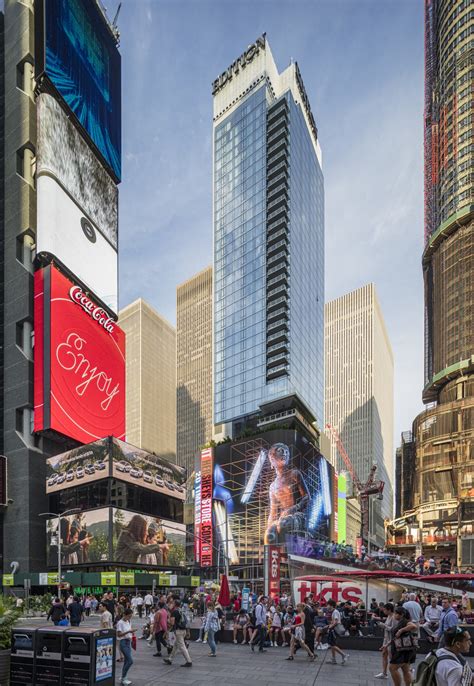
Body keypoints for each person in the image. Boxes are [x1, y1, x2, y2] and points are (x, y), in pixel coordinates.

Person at [264, 443, 310, 544]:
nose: (284, 453)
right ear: (271, 459)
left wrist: (294, 508)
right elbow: (273, 512)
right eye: (280, 451)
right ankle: (273, 557)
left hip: (298, 515)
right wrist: (269, 527)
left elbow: (307, 497)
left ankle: (287, 554)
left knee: (284, 524)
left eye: (286, 451)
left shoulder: (295, 474)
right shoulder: (272, 486)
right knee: (269, 533)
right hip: (283, 517)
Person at [388, 607, 418, 686]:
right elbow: (395, 638)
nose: (394, 615)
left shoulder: (405, 622)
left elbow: (414, 626)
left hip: (402, 651)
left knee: (392, 668)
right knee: (406, 670)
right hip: (405, 650)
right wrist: (386, 645)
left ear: (401, 615)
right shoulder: (400, 622)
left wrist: (401, 630)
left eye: (396, 613)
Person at [163, 598, 192, 667]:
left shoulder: (174, 612)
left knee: (182, 647)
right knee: (176, 646)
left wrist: (168, 620)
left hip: (178, 631)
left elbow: (172, 623)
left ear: (175, 605)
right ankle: (170, 659)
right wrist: (188, 631)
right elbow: (186, 621)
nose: (171, 604)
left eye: (172, 603)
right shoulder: (181, 610)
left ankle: (189, 661)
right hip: (183, 630)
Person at [374, 602, 396, 679]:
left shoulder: (393, 617)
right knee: (384, 654)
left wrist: (383, 626)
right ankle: (384, 673)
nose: (383, 611)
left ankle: (405, 670)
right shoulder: (389, 616)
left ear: (389, 610)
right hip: (386, 639)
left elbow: (393, 629)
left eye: (385, 610)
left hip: (390, 640)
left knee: (392, 658)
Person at [117, 608, 136, 686]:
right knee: (130, 661)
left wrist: (132, 634)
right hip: (123, 642)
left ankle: (123, 677)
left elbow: (129, 630)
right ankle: (123, 677)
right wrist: (129, 631)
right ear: (124, 614)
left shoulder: (128, 621)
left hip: (128, 641)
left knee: (126, 661)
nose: (129, 618)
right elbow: (119, 634)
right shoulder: (120, 623)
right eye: (129, 616)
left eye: (131, 616)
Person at [327, 599, 349, 665]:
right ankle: (333, 659)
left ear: (331, 605)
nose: (327, 606)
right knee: (332, 644)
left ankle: (344, 655)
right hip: (333, 629)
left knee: (332, 645)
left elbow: (336, 621)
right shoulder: (334, 611)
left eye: (328, 605)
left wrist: (330, 626)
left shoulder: (335, 612)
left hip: (334, 629)